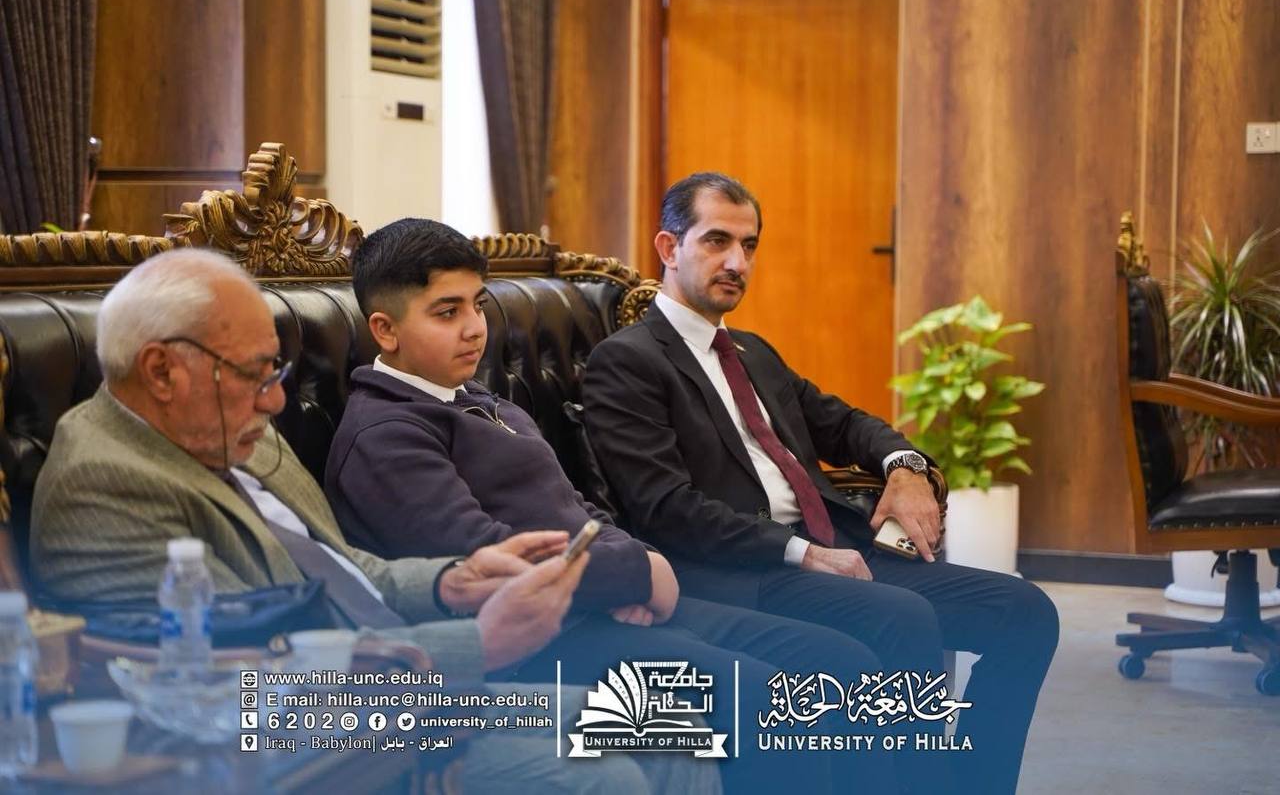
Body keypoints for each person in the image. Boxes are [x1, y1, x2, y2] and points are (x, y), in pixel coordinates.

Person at [29, 248, 717, 795]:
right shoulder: (106, 485)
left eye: (275, 371)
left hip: (399, 679)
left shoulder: (226, 422)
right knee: (603, 771)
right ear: (161, 371)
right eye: (255, 373)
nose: (275, 400)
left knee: (668, 727)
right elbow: (230, 683)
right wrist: (477, 643)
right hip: (324, 737)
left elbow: (341, 568)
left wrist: (451, 581)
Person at [324, 218, 904, 794]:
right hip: (536, 646)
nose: (475, 328)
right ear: (386, 329)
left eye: (477, 305)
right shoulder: (385, 435)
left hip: (604, 603)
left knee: (837, 662)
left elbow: (577, 507)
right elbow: (486, 558)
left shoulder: (481, 399)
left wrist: (641, 562)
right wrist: (635, 574)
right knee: (762, 697)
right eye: (447, 313)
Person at [582, 171, 1060, 795]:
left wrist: (906, 467)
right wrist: (802, 553)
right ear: (669, 248)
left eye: (749, 246)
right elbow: (665, 507)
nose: (737, 262)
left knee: (1025, 613)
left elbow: (845, 424)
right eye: (717, 241)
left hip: (837, 548)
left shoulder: (752, 352)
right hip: (743, 570)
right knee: (901, 617)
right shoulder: (628, 361)